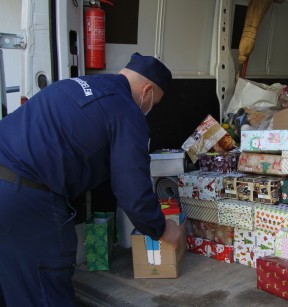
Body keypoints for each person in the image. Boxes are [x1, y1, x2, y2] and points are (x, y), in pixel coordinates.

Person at [0, 52, 181, 306]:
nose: (152, 108)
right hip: (25, 200)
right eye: (156, 102)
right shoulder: (127, 111)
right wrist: (161, 228)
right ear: (147, 91)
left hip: (9, 182)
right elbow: (132, 190)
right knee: (45, 289)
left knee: (13, 285)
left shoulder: (74, 84)